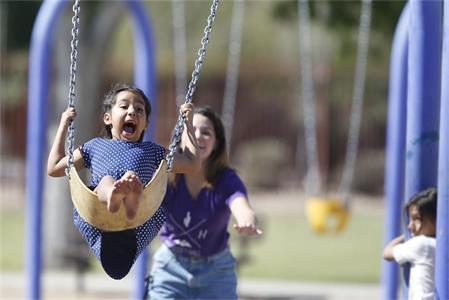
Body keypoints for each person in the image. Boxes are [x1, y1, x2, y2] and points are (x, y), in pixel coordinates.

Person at [47, 83, 200, 279]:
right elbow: (54, 168)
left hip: (137, 225)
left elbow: (191, 164)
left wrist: (189, 124)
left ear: (145, 124)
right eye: (124, 106)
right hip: (101, 222)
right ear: (108, 118)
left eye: (139, 109)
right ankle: (118, 196)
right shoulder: (94, 147)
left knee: (127, 182)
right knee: (107, 181)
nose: (132, 112)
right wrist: (63, 125)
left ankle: (130, 198)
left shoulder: (152, 151)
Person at [148, 106, 263, 300]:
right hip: (170, 267)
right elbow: (141, 205)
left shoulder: (226, 179)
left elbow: (241, 205)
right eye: (192, 129)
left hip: (216, 272)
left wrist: (247, 221)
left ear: (216, 143)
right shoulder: (165, 177)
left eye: (206, 132)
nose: (199, 136)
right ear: (181, 137)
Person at [383, 187, 437, 300]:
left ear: (436, 218)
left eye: (416, 219)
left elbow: (387, 253)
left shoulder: (422, 244)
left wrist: (405, 236)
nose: (410, 226)